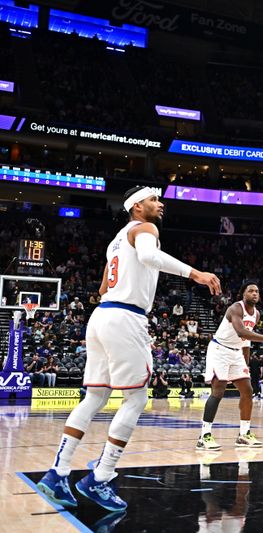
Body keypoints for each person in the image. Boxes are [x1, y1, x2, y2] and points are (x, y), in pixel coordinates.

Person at [38, 185, 220, 512]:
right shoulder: (145, 228)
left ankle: (57, 472)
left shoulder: (115, 241)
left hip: (102, 316)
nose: (160, 204)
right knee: (135, 398)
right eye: (153, 199)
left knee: (94, 397)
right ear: (137, 206)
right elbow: (150, 256)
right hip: (126, 317)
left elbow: (104, 286)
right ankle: (101, 476)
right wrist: (195, 273)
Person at [198, 282, 263, 451]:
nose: (255, 293)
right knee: (218, 391)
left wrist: (244, 365)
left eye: (257, 291)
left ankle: (244, 434)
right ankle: (204, 436)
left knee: (247, 390)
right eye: (251, 290)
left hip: (236, 352)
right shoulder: (235, 309)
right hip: (220, 349)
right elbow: (241, 332)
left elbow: (246, 341)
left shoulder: (256, 314)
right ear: (243, 294)